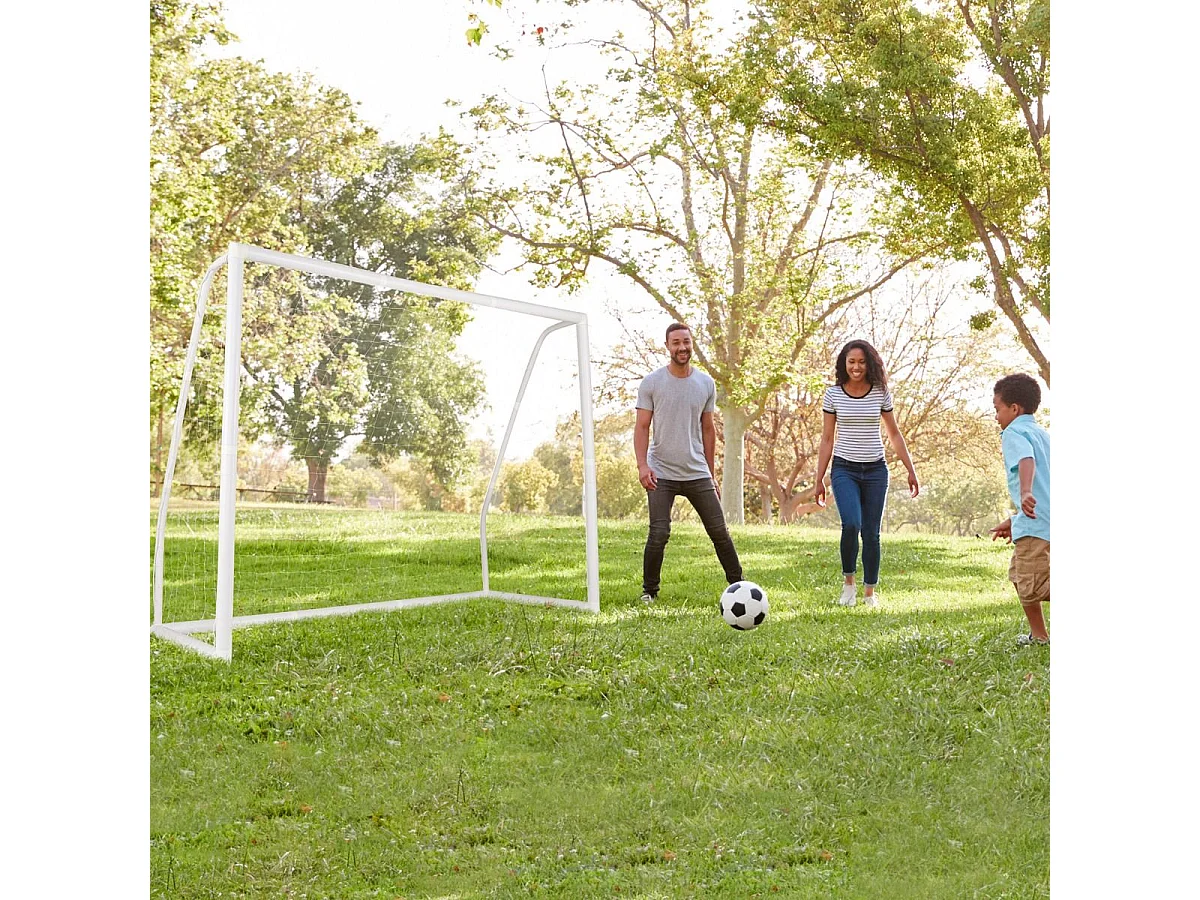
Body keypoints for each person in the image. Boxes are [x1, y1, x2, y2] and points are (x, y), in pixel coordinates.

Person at [634, 322, 743, 603]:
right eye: (676, 343)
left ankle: (740, 587)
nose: (682, 347)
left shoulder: (705, 384)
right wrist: (642, 466)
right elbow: (642, 427)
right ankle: (649, 592)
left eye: (686, 342)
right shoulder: (652, 383)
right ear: (667, 346)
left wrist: (711, 473)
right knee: (659, 532)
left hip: (697, 472)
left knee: (719, 531)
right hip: (661, 472)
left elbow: (709, 430)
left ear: (691, 344)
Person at [813, 340, 919, 607]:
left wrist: (910, 469)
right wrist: (819, 479)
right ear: (844, 364)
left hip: (875, 471)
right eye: (851, 362)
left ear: (869, 363)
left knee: (871, 533)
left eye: (861, 362)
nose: (856, 367)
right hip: (844, 469)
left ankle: (869, 592)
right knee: (851, 524)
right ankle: (848, 584)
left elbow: (894, 433)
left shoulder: (880, 392)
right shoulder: (833, 395)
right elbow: (827, 439)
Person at [987, 374, 1051, 646]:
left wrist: (1024, 492)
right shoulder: (1043, 434)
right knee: (1020, 575)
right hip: (1041, 520)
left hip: (1037, 524)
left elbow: (1026, 460)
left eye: (997, 409)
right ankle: (1039, 635)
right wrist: (1015, 519)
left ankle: (1040, 636)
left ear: (1014, 409)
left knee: (1032, 583)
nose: (996, 417)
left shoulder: (1014, 432)